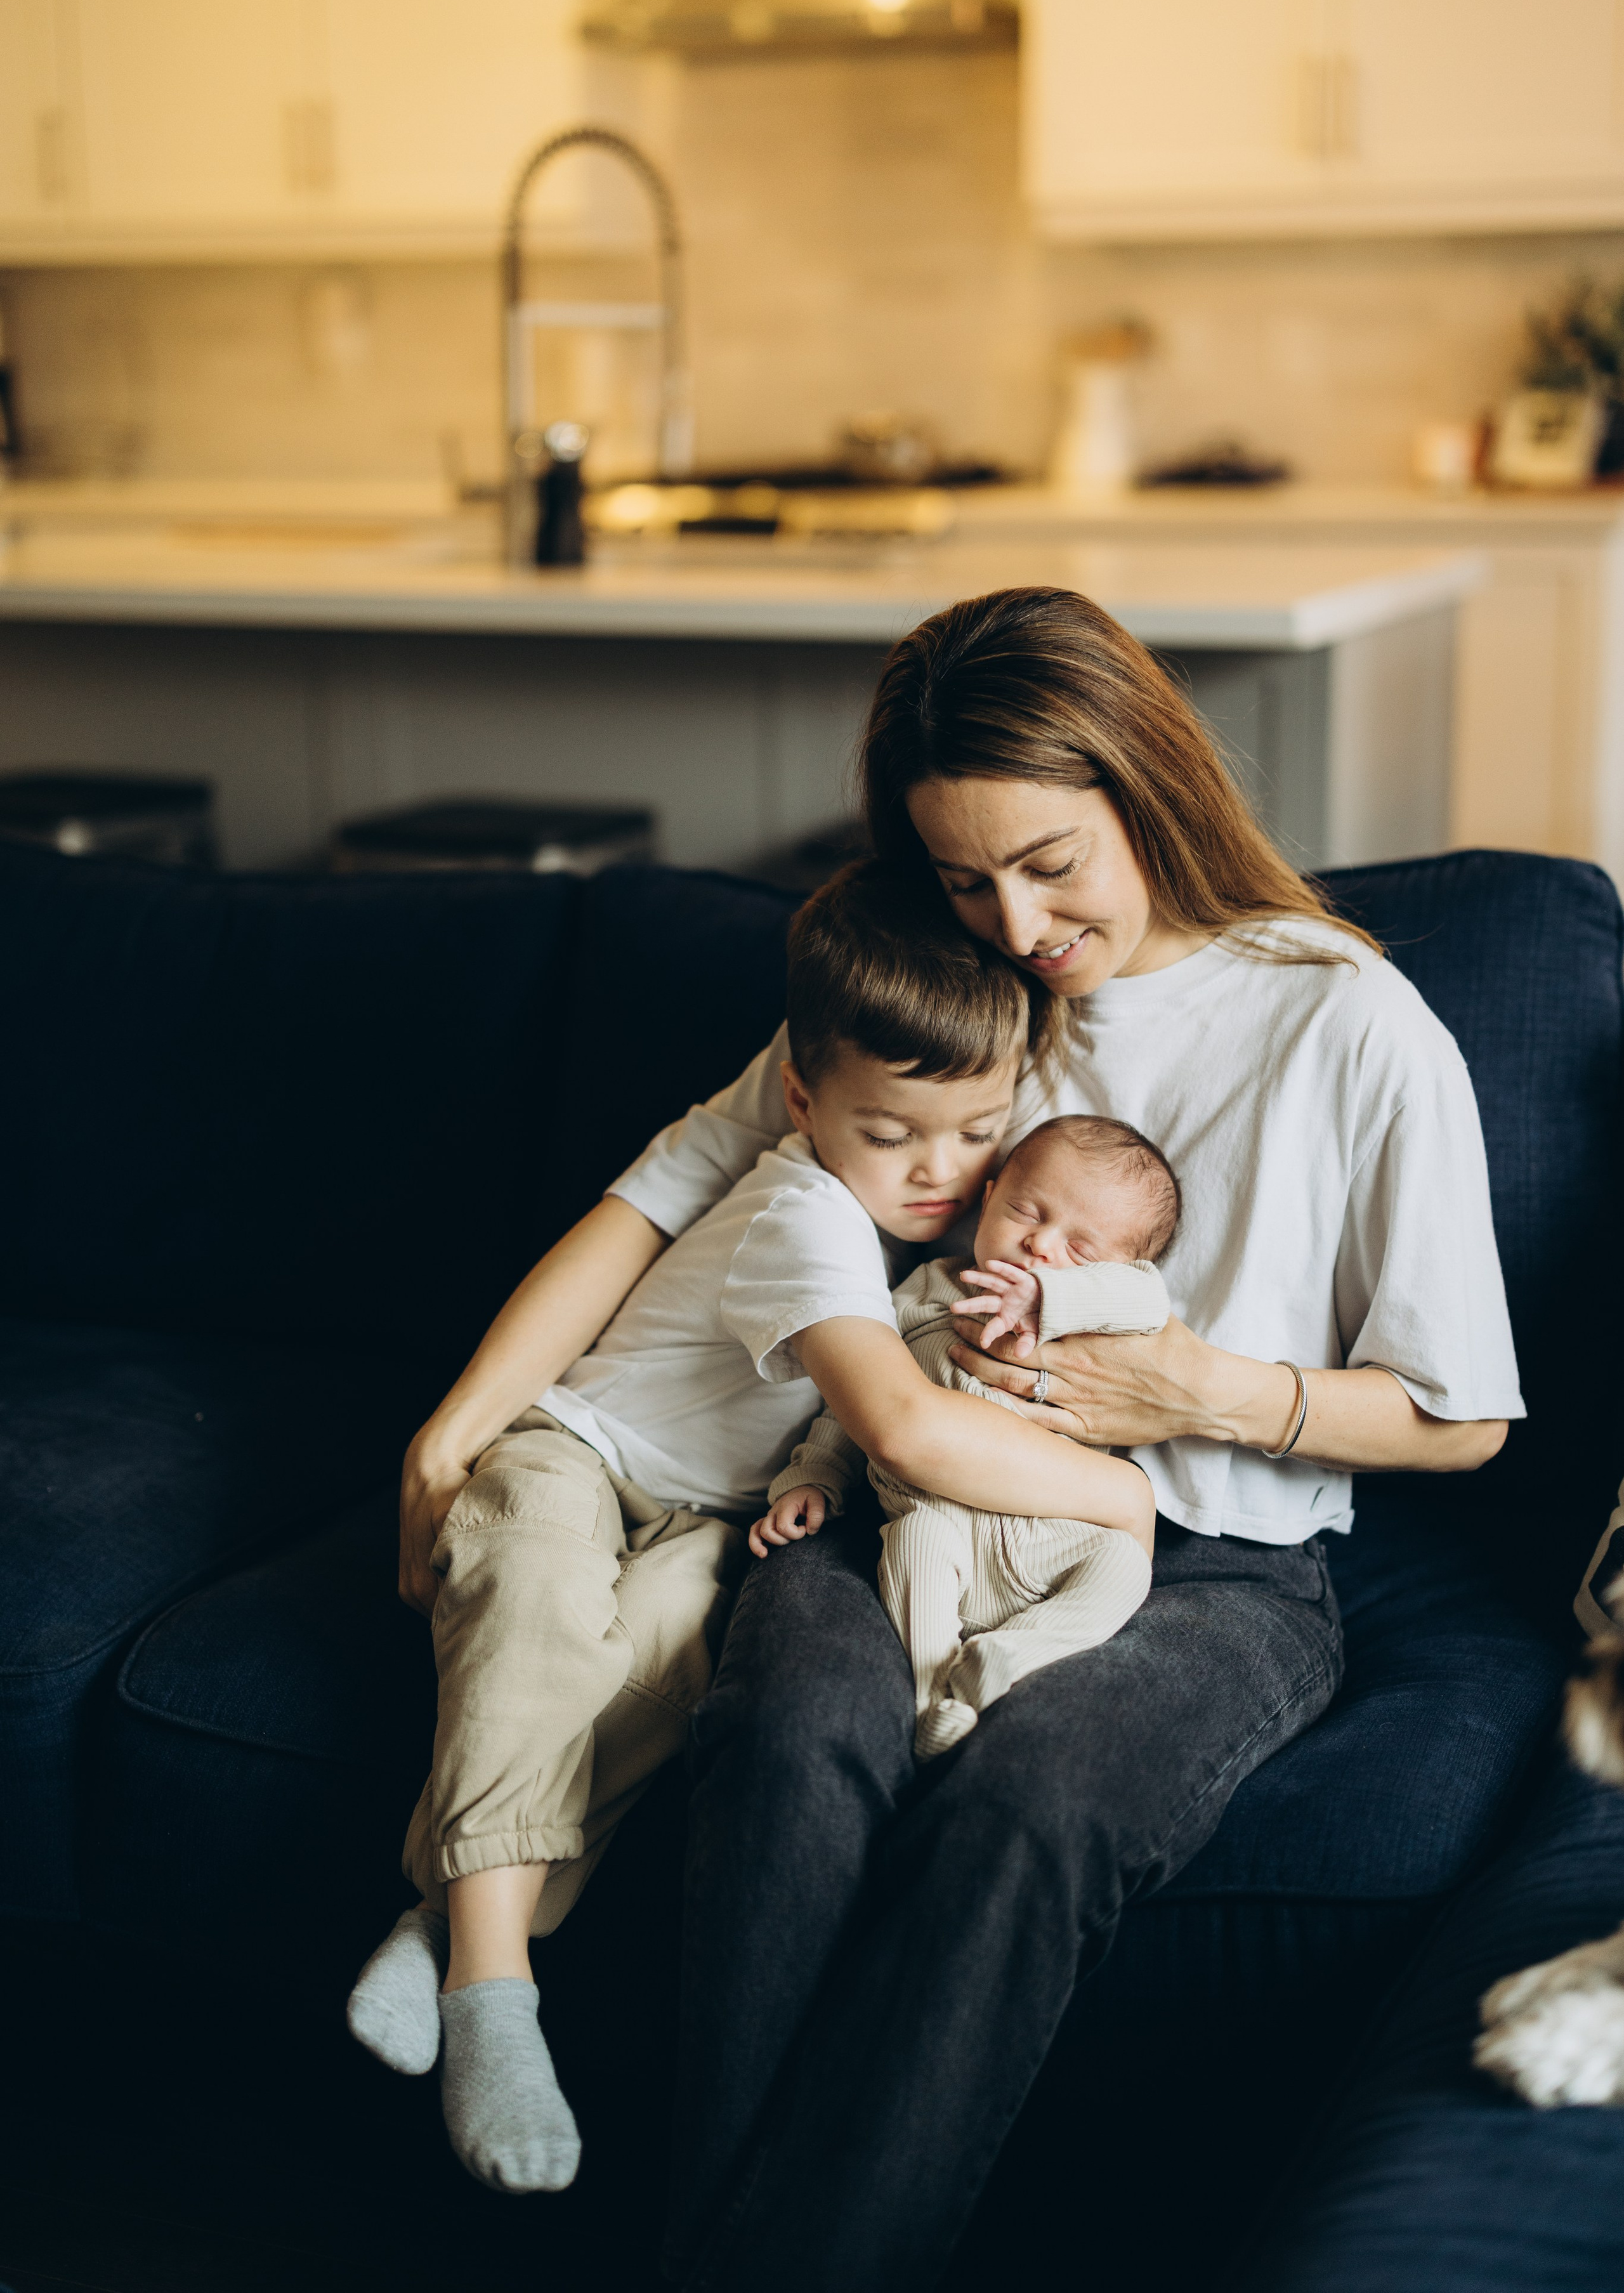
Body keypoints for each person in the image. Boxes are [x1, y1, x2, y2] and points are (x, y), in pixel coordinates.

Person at [395, 583, 1521, 2290]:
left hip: (1209, 1554)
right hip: (891, 1492)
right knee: (782, 1741)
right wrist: (457, 1431)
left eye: (1052, 863)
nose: (1014, 918)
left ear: (1149, 785)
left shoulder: (1345, 1021)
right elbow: (665, 1188)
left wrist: (1199, 1393)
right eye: (963, 875)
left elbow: (1464, 1420)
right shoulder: (946, 994)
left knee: (1028, 1808)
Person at [360, 859, 1150, 2196]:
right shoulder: (808, 1211)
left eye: (971, 1136)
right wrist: (1123, 1499)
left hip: (708, 1505)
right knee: (538, 1618)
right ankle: (493, 1994)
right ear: (798, 1096)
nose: (937, 1174)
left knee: (663, 1672)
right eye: (892, 1133)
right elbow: (895, 1419)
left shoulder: (944, 1224)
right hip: (580, 1446)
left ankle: (439, 1916)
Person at [752, 1113, 1179, 1757]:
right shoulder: (923, 1293)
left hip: (1059, 1540)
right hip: (940, 1525)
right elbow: (851, 1401)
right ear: (987, 1200)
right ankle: (934, 1697)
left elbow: (1148, 1299)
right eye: (1027, 1212)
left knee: (1122, 1566)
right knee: (915, 1542)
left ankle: (1004, 1660)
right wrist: (814, 1475)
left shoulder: (1101, 1329)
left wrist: (1052, 1301)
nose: (1041, 1247)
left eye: (1082, 1251)